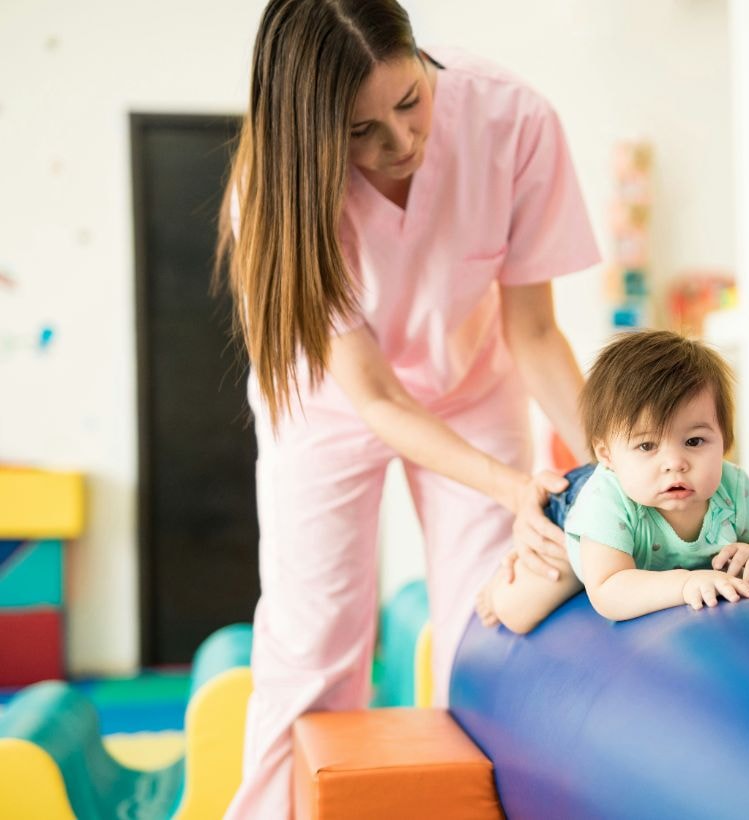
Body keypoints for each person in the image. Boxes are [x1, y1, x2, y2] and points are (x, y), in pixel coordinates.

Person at [214, 1, 600, 815]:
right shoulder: (272, 192)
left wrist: (618, 462)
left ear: (421, 58)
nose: (401, 143)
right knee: (314, 646)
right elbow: (376, 398)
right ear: (309, 135)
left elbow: (533, 333)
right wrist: (506, 483)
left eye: (410, 102)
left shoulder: (512, 119)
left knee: (488, 624)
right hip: (328, 401)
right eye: (360, 132)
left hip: (471, 385)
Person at [476, 330, 749, 634]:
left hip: (626, 520)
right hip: (573, 509)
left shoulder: (733, 489)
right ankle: (494, 588)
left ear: (725, 441)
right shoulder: (605, 503)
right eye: (647, 446)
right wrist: (686, 583)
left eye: (693, 441)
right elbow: (608, 592)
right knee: (519, 610)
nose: (674, 463)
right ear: (606, 455)